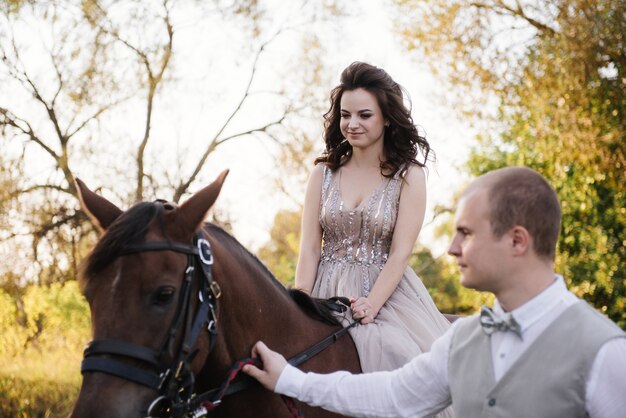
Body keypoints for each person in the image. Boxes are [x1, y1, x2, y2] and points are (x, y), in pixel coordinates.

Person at [244, 166, 626, 418]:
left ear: (517, 241)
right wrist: (289, 379)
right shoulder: (462, 341)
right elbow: (392, 395)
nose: (451, 248)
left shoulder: (605, 352)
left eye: (467, 233)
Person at [293, 62, 453, 379]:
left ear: (387, 118)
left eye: (364, 115)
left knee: (400, 357)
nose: (352, 124)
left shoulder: (409, 175)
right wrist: (301, 302)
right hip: (324, 292)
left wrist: (371, 304)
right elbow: (310, 248)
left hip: (385, 295)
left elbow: (400, 253)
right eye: (345, 114)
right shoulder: (322, 173)